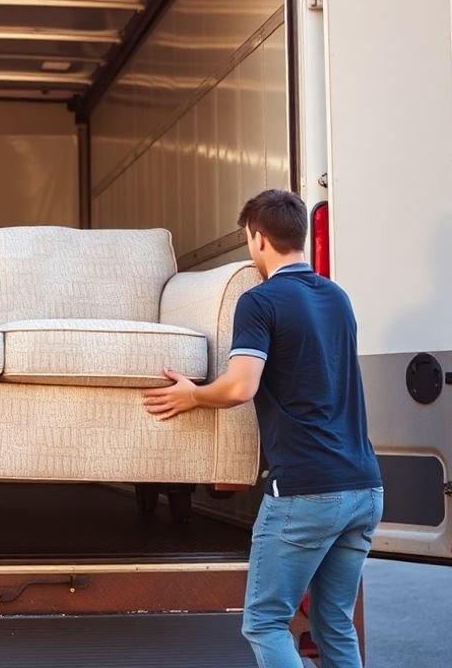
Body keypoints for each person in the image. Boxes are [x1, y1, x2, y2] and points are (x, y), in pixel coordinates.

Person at [142, 189, 383, 668]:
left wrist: (192, 394)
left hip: (305, 492)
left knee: (266, 622)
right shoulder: (338, 298)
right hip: (364, 486)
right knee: (335, 621)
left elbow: (239, 387)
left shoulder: (260, 301)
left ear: (257, 238)